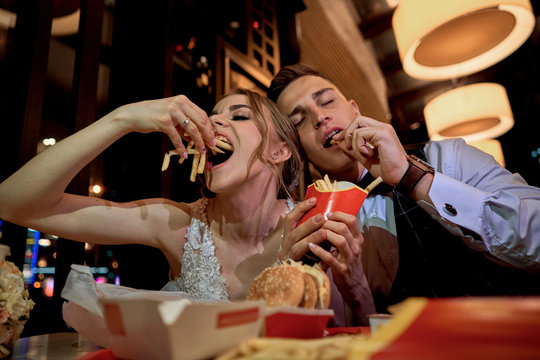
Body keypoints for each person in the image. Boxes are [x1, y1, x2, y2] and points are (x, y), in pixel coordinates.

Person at [268, 63, 540, 326]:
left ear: (354, 110)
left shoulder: (449, 158)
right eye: (299, 120)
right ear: (297, 148)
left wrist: (411, 175)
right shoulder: (313, 224)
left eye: (326, 101)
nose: (319, 117)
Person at [0, 88, 302, 302]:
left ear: (280, 150)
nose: (213, 122)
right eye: (213, 116)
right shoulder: (176, 224)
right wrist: (123, 118)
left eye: (239, 116)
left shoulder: (312, 222)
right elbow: (12, 203)